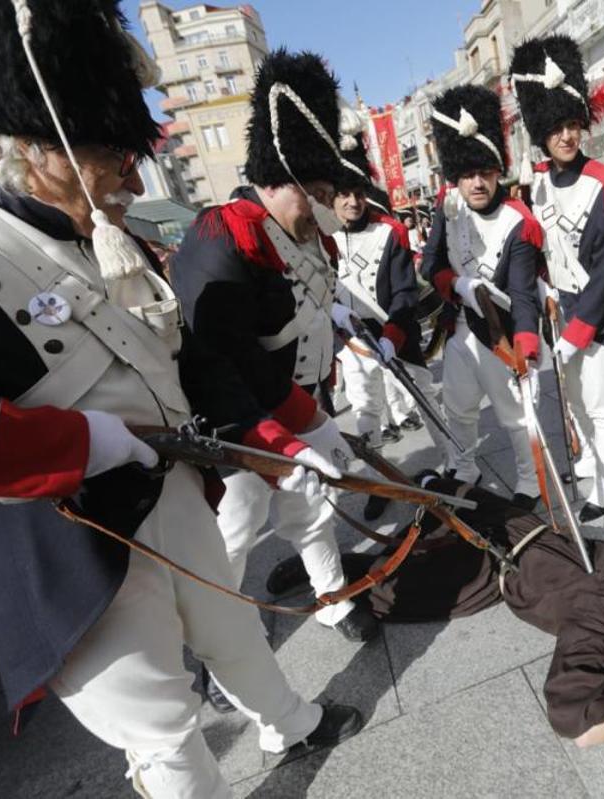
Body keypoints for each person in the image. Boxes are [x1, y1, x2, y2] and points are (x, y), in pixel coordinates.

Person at [0, 4, 361, 795]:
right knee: (164, 726)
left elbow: (190, 360)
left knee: (231, 623)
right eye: (114, 155)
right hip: (70, 535)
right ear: (39, 146)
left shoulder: (112, 235)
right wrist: (76, 446)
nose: (133, 178)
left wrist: (276, 448)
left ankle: (292, 721)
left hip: (173, 486)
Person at [272, 475, 604, 745]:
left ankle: (425, 499)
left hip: (508, 518)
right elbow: (579, 726)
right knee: (390, 597)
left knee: (422, 541)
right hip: (488, 560)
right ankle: (329, 572)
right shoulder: (601, 623)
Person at [171, 51, 380, 645]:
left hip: (302, 398)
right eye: (312, 191)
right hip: (242, 419)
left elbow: (314, 318)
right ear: (276, 178)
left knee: (311, 512)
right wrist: (284, 429)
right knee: (235, 534)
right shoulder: (225, 233)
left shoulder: (315, 241)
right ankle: (221, 645)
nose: (321, 206)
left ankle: (333, 601)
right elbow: (219, 354)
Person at [510, 34, 604, 522]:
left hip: (597, 312)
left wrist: (577, 334)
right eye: (555, 127)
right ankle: (587, 464)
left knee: (603, 406)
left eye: (573, 125)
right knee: (574, 403)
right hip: (557, 309)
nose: (566, 136)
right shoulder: (534, 181)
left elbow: (603, 271)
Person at [420, 85, 543, 511]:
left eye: (485, 171)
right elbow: (430, 265)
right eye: (468, 173)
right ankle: (465, 468)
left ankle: (530, 483)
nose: (477, 182)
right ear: (456, 175)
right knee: (459, 409)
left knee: (516, 417)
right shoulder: (448, 206)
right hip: (460, 330)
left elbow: (525, 293)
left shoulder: (519, 222)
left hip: (504, 334)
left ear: (498, 172)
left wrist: (526, 346)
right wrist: (459, 286)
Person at [329, 114, 445, 516]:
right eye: (343, 193)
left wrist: (392, 337)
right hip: (352, 341)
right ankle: (379, 483)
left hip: (394, 336)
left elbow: (403, 292)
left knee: (426, 398)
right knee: (365, 412)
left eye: (357, 191)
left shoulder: (390, 231)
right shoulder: (320, 238)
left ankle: (459, 465)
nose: (352, 201)